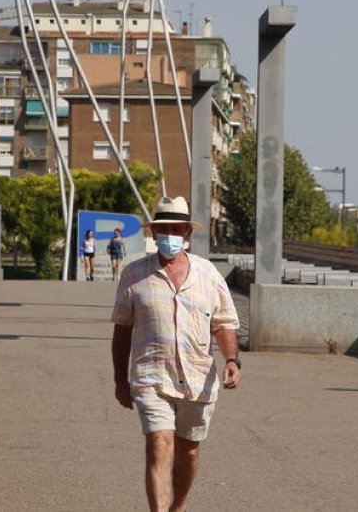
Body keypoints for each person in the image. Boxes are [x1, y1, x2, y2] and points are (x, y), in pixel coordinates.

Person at [111, 196, 241, 512]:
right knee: (159, 445)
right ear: (155, 234)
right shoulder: (134, 274)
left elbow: (223, 324)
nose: (169, 235)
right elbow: (122, 330)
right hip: (151, 376)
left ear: (186, 233)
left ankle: (177, 506)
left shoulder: (208, 274)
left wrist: (233, 359)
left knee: (189, 450)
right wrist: (120, 379)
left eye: (175, 229)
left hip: (198, 377)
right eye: (163, 229)